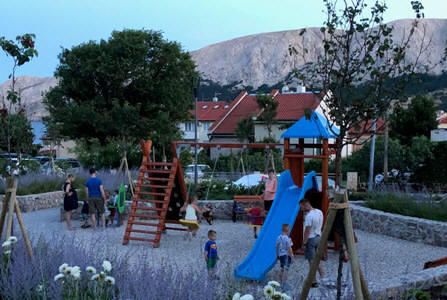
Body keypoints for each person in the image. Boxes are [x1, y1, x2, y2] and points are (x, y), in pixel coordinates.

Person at [300, 198, 324, 287]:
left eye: (301, 207)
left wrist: (304, 243)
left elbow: (307, 231)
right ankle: (322, 276)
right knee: (317, 259)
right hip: (318, 236)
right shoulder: (319, 212)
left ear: (305, 205)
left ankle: (313, 281)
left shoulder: (309, 216)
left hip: (310, 239)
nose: (300, 209)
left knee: (311, 261)